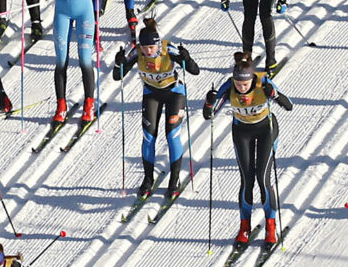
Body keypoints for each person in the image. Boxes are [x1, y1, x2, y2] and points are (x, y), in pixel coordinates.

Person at [201, 53, 296, 247]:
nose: (241, 88)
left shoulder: (262, 82)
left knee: (263, 178)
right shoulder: (229, 86)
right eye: (238, 84)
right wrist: (209, 102)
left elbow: (289, 106)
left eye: (245, 84)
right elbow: (208, 115)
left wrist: (274, 94)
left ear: (252, 78)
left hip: (266, 131)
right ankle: (244, 226)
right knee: (247, 179)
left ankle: (270, 227)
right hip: (242, 132)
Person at [110, 19, 203, 202]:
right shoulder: (137, 53)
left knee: (172, 135)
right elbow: (117, 76)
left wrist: (186, 57)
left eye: (151, 47)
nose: (148, 51)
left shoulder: (168, 49)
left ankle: (174, 181)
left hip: (174, 92)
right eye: (144, 48)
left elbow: (195, 70)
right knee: (148, 136)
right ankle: (148, 179)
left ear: (157, 44)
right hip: (151, 94)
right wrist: (118, 63)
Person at [37, 0, 101, 123]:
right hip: (62, 11)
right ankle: (61, 105)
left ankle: (89, 104)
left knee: (84, 59)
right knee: (61, 59)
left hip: (84, 10)